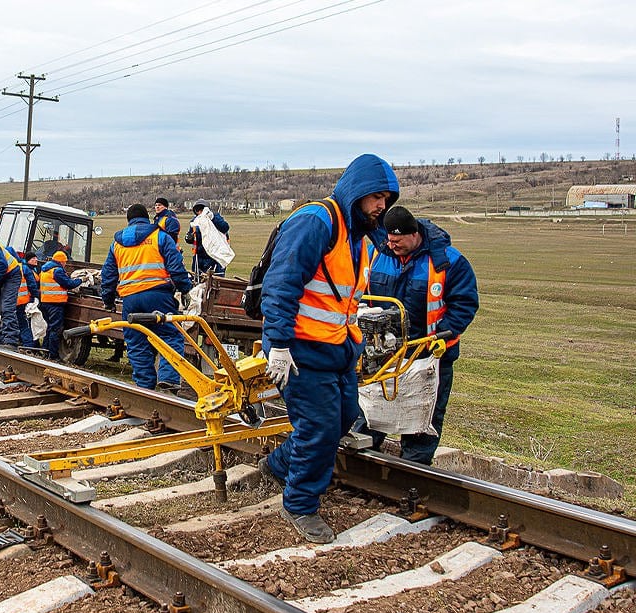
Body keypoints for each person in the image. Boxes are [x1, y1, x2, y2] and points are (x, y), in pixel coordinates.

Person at [257, 153, 399, 544]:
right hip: (302, 348)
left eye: (386, 199)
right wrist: (280, 346)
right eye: (376, 197)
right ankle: (300, 503)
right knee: (318, 427)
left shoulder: (359, 236)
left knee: (343, 417)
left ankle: (279, 465)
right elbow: (281, 285)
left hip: (337, 350)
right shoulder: (316, 222)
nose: (381, 206)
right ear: (356, 192)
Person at [357, 205, 479, 464]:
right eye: (389, 240)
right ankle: (359, 460)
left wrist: (446, 332)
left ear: (414, 235)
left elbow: (465, 302)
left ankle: (415, 470)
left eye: (398, 241)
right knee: (369, 410)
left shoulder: (448, 261)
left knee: (422, 418)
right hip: (382, 356)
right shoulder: (377, 254)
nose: (392, 245)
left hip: (428, 356)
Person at [99, 203, 193, 390]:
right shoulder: (160, 236)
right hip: (158, 296)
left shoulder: (116, 243)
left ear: (129, 221)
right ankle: (168, 377)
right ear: (147, 218)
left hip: (130, 301)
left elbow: (108, 276)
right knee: (170, 335)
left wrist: (108, 301)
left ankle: (144, 387)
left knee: (136, 342)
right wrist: (184, 288)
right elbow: (176, 267)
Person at [39, 250, 82, 360]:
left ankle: (45, 350)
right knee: (56, 329)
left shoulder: (45, 269)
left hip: (45, 302)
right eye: (65, 262)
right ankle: (53, 355)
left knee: (50, 328)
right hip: (55, 303)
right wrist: (79, 280)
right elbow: (68, 284)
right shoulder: (57, 271)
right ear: (61, 261)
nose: (65, 264)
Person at [184, 199, 230, 277]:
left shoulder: (215, 217)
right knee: (197, 280)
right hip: (199, 257)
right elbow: (193, 237)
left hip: (215, 257)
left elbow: (225, 228)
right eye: (197, 210)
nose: (200, 212)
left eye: (202, 209)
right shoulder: (195, 221)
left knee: (216, 281)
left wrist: (213, 218)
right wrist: (189, 238)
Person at [8, 248, 41, 349]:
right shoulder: (23, 268)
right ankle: (29, 345)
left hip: (9, 302)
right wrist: (37, 296)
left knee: (11, 322)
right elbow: (32, 285)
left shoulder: (4, 268)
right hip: (22, 301)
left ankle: (19, 342)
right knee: (23, 323)